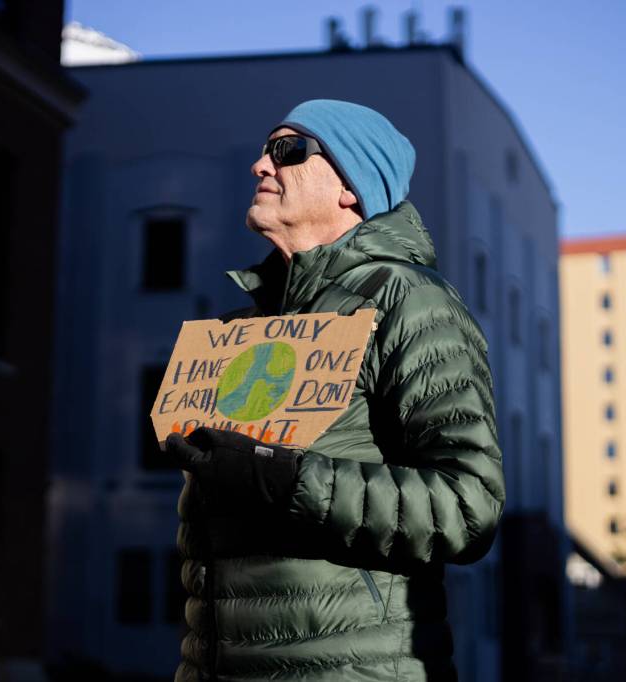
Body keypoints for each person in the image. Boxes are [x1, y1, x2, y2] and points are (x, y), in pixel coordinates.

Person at [164, 99, 505, 682]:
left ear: (352, 186)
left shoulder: (408, 301)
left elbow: (469, 506)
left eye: (286, 150)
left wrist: (285, 478)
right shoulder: (242, 327)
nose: (259, 166)